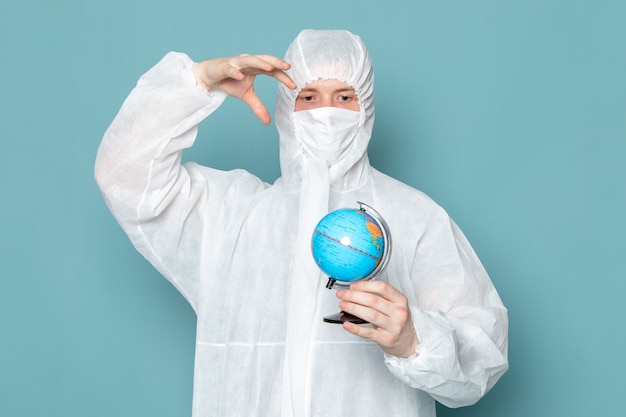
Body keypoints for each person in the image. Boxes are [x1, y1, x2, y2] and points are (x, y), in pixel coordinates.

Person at [95, 29, 508, 417]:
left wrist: (414, 340)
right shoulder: (230, 215)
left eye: (344, 97)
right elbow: (125, 176)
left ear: (366, 108)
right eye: (308, 97)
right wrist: (196, 82)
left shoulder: (413, 216)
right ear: (285, 109)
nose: (326, 112)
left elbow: (483, 357)